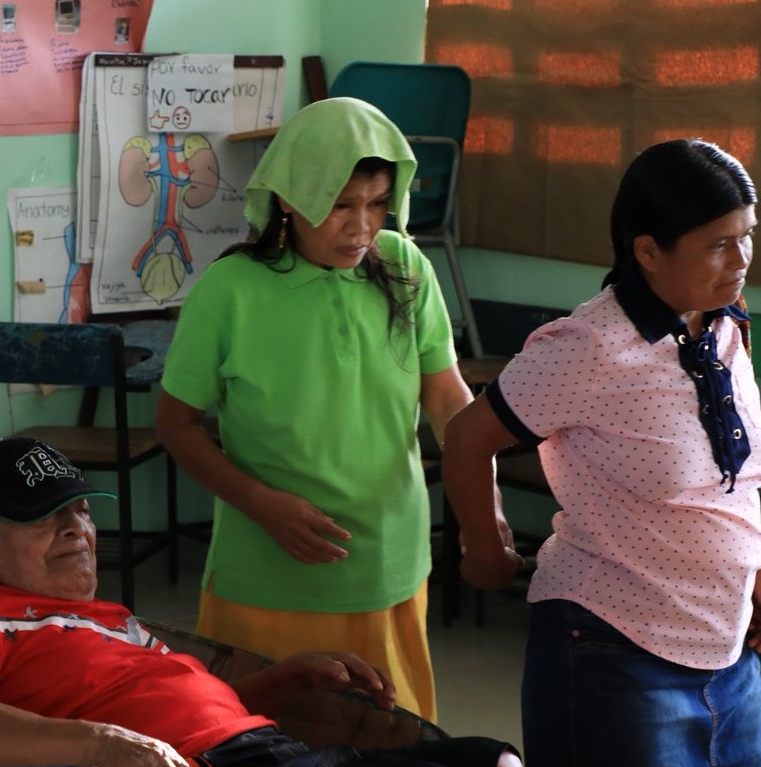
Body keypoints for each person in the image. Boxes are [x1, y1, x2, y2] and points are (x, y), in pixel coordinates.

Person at [0, 436, 540, 767]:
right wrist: (104, 744)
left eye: (80, 510)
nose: (76, 529)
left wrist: (287, 681)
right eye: (44, 517)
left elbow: (189, 705)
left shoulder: (108, 617)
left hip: (271, 753)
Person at [442, 139, 761, 767]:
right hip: (614, 650)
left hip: (726, 646)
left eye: (747, 237)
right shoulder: (589, 348)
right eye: (718, 245)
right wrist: (486, 544)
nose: (741, 260)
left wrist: (759, 572)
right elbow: (467, 439)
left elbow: (737, 478)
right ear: (648, 251)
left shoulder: (722, 325)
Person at [155, 96, 511, 722]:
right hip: (266, 569)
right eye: (341, 205)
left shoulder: (407, 269)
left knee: (387, 749)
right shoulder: (230, 290)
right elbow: (175, 424)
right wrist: (262, 505)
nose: (362, 225)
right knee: (266, 755)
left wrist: (487, 509)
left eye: (377, 203)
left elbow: (450, 401)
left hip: (387, 562)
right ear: (289, 198)